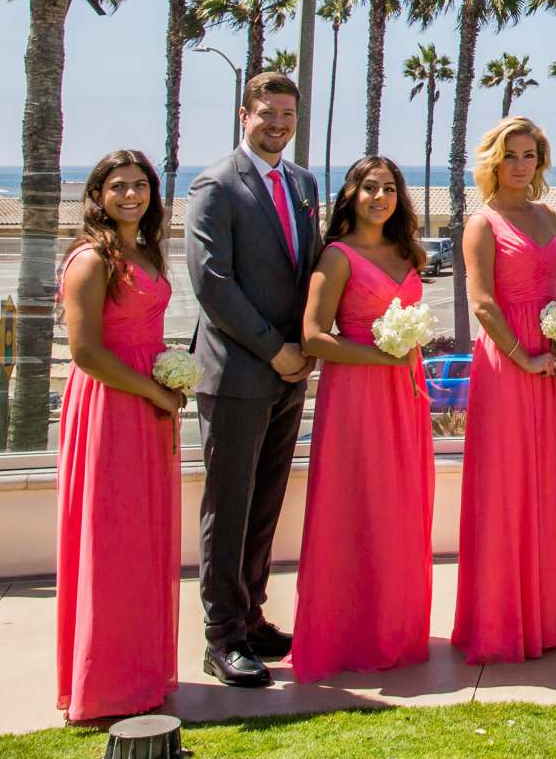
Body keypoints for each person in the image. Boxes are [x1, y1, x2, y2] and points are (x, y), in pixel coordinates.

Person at [184, 72, 319, 688]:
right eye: (267, 113)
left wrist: (307, 347)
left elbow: (308, 271)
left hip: (291, 373)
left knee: (265, 504)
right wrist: (274, 351)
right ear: (245, 114)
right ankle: (223, 635)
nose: (278, 124)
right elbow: (214, 285)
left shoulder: (303, 184)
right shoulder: (216, 185)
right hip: (239, 372)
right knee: (230, 505)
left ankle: (254, 615)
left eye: (287, 114)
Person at [291, 157, 434, 682]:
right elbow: (312, 336)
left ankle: (396, 628)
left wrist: (406, 352)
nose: (380, 197)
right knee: (356, 508)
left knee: (400, 508)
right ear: (351, 194)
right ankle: (348, 633)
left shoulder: (406, 251)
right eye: (370, 187)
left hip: (407, 396)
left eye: (389, 188)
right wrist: (382, 356)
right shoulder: (337, 256)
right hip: (356, 398)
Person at [55, 150, 183, 722]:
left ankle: (142, 670)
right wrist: (156, 392)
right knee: (113, 539)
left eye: (140, 186)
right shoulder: (90, 259)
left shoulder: (144, 251)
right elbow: (86, 353)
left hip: (149, 401)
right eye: (118, 186)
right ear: (98, 194)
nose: (130, 195)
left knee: (145, 537)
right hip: (110, 406)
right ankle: (104, 683)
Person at [451, 116, 556, 664]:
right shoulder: (482, 224)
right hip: (507, 367)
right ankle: (501, 623)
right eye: (512, 155)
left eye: (530, 155)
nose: (521, 165)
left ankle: (543, 619)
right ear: (493, 162)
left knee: (547, 487)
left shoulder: (548, 215)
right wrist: (524, 357)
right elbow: (481, 302)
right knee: (506, 490)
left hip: (548, 367)